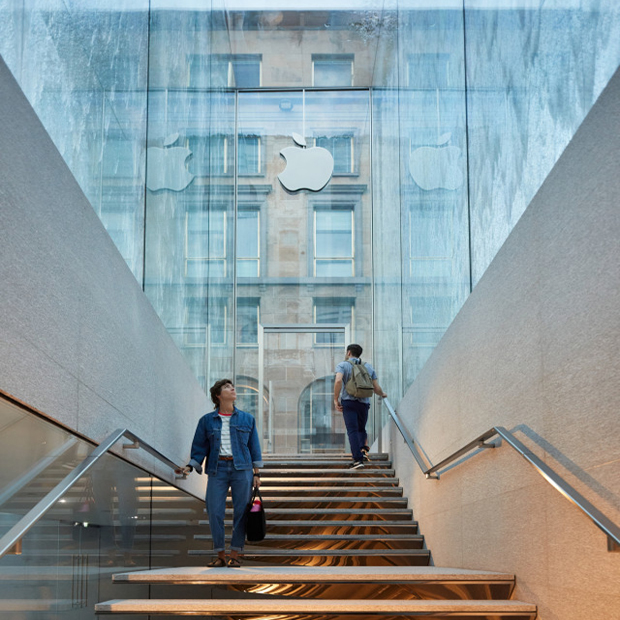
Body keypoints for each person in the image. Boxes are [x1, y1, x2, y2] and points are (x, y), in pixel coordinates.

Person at [181, 379, 262, 567]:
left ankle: (235, 554)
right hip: (217, 469)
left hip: (242, 469)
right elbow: (199, 446)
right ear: (218, 395)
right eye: (227, 387)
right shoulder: (206, 421)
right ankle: (220, 555)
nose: (232, 389)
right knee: (214, 511)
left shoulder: (247, 419)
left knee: (241, 512)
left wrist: (257, 474)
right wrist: (190, 466)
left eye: (232, 387)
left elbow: (254, 447)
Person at [334, 344, 387, 469]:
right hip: (364, 403)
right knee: (361, 429)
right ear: (359, 354)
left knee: (352, 430)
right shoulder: (368, 367)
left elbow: (338, 381)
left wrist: (336, 399)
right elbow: (376, 387)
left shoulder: (343, 365)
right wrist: (383, 394)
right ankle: (363, 452)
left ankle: (357, 460)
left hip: (349, 402)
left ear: (348, 353)